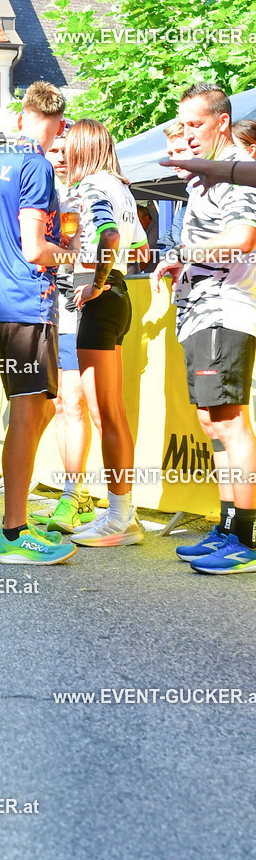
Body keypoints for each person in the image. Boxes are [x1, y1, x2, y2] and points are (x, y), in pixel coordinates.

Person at [0, 80, 78, 565]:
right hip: (24, 302)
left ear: (21, 116)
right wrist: (74, 254)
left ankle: (16, 523)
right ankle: (14, 531)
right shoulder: (36, 165)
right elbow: (35, 249)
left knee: (36, 410)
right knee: (29, 412)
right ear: (57, 124)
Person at [153, 82, 256, 574]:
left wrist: (180, 254)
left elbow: (241, 238)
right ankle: (226, 525)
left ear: (221, 121)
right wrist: (183, 266)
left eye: (195, 125)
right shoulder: (204, 178)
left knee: (231, 423)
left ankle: (244, 537)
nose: (187, 135)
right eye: (183, 125)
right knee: (212, 423)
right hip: (201, 309)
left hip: (224, 310)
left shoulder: (234, 172)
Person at [65, 118, 149, 548]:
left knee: (105, 414)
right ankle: (121, 513)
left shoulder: (94, 186)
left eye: (68, 147)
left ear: (83, 149)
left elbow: (111, 236)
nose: (62, 155)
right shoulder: (121, 188)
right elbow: (136, 244)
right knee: (109, 413)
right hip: (118, 297)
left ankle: (120, 518)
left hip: (103, 299)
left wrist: (96, 281)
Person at [29, 127, 97, 534]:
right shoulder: (43, 192)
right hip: (46, 309)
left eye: (64, 148)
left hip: (77, 308)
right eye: (52, 148)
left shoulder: (84, 193)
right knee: (57, 404)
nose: (58, 154)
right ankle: (78, 497)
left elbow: (132, 245)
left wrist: (87, 263)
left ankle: (74, 497)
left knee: (73, 403)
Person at [157, 122, 191, 259]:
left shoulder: (220, 189)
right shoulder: (183, 211)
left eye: (181, 151)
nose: (174, 160)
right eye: (171, 153)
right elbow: (164, 247)